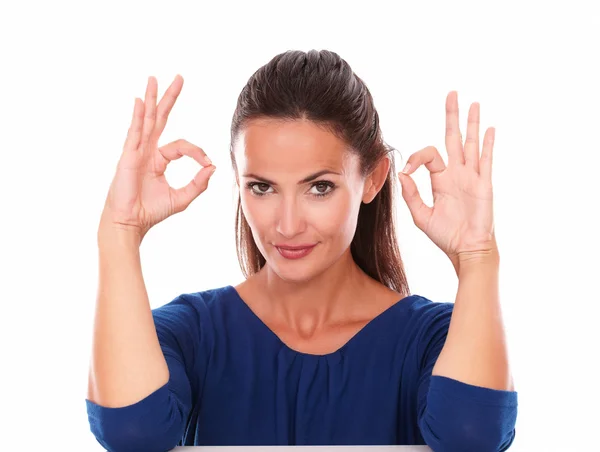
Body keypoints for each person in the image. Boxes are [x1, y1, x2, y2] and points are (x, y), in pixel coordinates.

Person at [85, 50, 518, 451]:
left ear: (372, 179)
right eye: (262, 187)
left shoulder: (435, 339)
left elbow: (471, 438)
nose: (288, 225)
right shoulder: (189, 333)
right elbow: (133, 433)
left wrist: (478, 257)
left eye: (320, 188)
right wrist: (119, 234)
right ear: (238, 180)